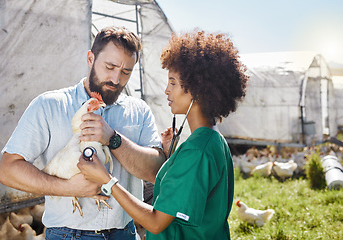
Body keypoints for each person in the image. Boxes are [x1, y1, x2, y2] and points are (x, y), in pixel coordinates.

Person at [77, 30, 249, 239]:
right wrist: (172, 157)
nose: (166, 90)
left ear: (197, 89)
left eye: (173, 82)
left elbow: (156, 222)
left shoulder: (196, 151)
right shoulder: (214, 141)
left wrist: (106, 180)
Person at [0, 26, 166, 240]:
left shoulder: (139, 111)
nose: (116, 79)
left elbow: (155, 171)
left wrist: (113, 139)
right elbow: (8, 169)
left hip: (124, 233)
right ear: (90, 58)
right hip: (68, 234)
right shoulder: (49, 106)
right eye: (110, 66)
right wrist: (68, 188)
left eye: (126, 72)